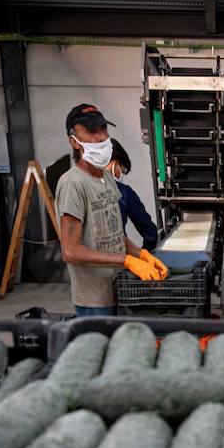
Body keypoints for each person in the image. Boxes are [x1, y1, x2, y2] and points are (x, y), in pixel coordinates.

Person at [54, 103, 166, 316]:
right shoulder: (72, 183)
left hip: (118, 289)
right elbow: (70, 251)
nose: (100, 137)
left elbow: (114, 233)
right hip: (94, 301)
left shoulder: (107, 178)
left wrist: (141, 254)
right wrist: (126, 260)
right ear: (74, 142)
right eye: (91, 131)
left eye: (103, 130)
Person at [107, 139, 159, 251]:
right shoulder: (123, 192)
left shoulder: (81, 186)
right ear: (115, 164)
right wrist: (143, 256)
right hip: (119, 261)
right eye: (122, 170)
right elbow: (151, 234)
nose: (121, 175)